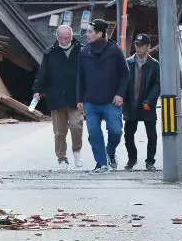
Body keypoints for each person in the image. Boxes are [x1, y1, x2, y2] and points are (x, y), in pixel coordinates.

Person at [77, 19, 129, 174]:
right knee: (93, 133)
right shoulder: (84, 52)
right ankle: (101, 163)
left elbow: (125, 74)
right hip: (91, 102)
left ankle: (110, 152)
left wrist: (120, 94)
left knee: (115, 131)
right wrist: (80, 99)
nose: (87, 34)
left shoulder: (114, 51)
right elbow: (80, 77)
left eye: (90, 32)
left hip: (111, 101)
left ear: (100, 33)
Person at [33, 25, 84, 170]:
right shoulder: (50, 53)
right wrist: (37, 90)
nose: (64, 40)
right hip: (56, 97)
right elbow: (42, 74)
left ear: (72, 36)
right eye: (61, 38)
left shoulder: (81, 51)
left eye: (66, 37)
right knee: (59, 132)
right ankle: (62, 158)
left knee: (76, 125)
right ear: (57, 37)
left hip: (76, 96)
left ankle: (76, 151)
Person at [123, 34, 161, 171]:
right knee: (128, 134)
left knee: (151, 135)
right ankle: (132, 159)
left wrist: (149, 101)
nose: (138, 48)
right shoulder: (128, 62)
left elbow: (157, 85)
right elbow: (122, 82)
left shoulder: (154, 65)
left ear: (148, 47)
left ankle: (150, 161)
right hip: (130, 103)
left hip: (147, 105)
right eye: (136, 45)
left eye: (141, 45)